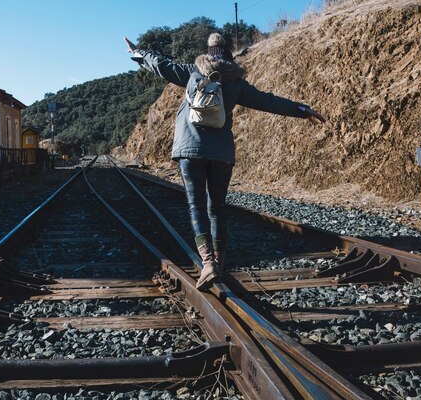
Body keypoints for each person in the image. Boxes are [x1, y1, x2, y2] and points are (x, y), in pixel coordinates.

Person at [124, 32, 326, 290]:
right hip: (221, 152)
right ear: (229, 52)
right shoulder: (235, 81)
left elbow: (160, 64)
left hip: (190, 149)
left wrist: (137, 52)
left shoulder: (192, 71)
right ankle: (218, 264)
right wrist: (302, 109)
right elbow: (268, 101)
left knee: (196, 207)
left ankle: (207, 263)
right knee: (217, 208)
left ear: (207, 51)